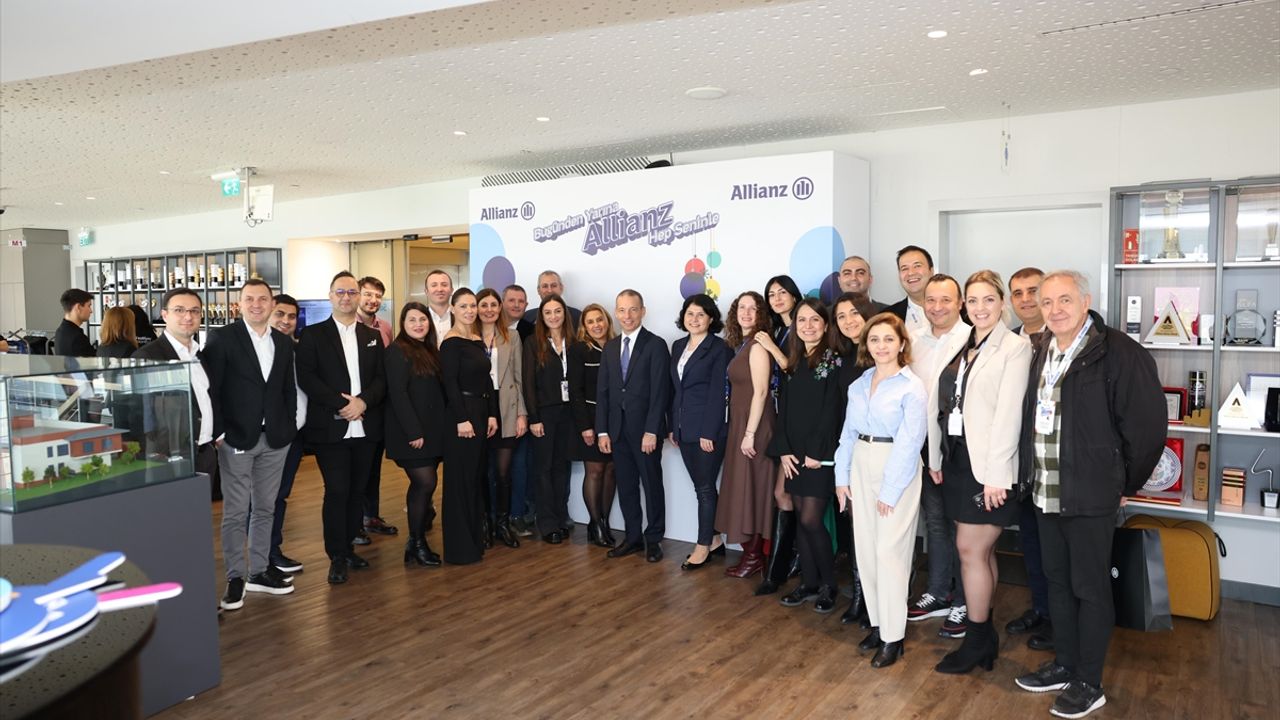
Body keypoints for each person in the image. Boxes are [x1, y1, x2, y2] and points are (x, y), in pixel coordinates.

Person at [1013, 270, 1164, 719]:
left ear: (1086, 301)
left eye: (1064, 300)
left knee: (1090, 588)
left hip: (1092, 494)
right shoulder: (1043, 349)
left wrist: (1125, 484)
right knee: (1057, 583)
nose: (1055, 309)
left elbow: (1147, 426)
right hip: (1046, 491)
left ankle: (1089, 682)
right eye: (1047, 302)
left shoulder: (1118, 352)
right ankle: (1065, 664)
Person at [927, 271, 1031, 673]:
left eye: (988, 299)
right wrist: (936, 458)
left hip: (989, 467)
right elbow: (941, 405)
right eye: (973, 300)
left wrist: (997, 476)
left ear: (1002, 303)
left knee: (970, 550)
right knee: (980, 552)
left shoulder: (1015, 347)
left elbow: (1009, 415)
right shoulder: (961, 342)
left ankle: (975, 640)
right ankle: (984, 637)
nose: (980, 308)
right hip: (957, 461)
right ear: (963, 305)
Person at [834, 312, 928, 669]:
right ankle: (878, 624)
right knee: (867, 551)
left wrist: (890, 490)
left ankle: (894, 637)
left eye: (889, 339)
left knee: (890, 554)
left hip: (895, 467)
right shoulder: (859, 384)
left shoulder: (911, 387)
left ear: (902, 343)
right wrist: (841, 478)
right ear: (866, 345)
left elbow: (910, 443)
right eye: (874, 339)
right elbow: (847, 434)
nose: (881, 345)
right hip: (861, 461)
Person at [202, 279, 298, 609]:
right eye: (249, 299)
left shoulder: (282, 342)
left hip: (275, 439)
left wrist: (288, 425)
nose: (256, 304)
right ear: (239, 304)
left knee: (266, 507)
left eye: (262, 299)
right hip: (237, 439)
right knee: (235, 511)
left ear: (272, 304)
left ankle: (258, 571)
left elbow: (287, 388)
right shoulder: (223, 338)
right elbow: (212, 388)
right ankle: (235, 576)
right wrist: (220, 432)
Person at [295, 271, 387, 585]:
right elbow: (307, 377)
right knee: (337, 492)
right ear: (330, 296)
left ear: (358, 296)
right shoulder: (313, 335)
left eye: (351, 292)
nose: (346, 297)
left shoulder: (371, 335)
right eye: (340, 292)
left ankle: (349, 549)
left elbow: (382, 378)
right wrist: (342, 404)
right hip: (330, 428)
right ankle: (336, 555)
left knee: (357, 492)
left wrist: (363, 403)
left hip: (365, 426)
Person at [907, 273, 973, 638]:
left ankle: (965, 600)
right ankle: (938, 591)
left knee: (963, 529)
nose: (937, 307)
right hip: (923, 449)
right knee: (935, 524)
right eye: (930, 300)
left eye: (946, 300)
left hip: (959, 451)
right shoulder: (913, 339)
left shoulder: (973, 338)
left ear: (960, 302)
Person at [770, 299, 844, 614]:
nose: (808, 326)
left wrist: (816, 452)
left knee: (812, 520)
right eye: (802, 320)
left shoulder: (833, 360)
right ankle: (809, 583)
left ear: (826, 325)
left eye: (815, 320)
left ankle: (829, 585)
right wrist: (784, 449)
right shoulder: (796, 360)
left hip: (818, 456)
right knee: (802, 520)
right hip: (794, 454)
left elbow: (832, 411)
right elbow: (784, 410)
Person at [596, 289, 670, 562]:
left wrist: (652, 430)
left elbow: (661, 392)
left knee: (651, 485)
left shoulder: (656, 345)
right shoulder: (610, 347)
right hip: (617, 430)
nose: (627, 315)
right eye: (622, 310)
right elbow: (603, 391)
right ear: (616, 313)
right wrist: (603, 430)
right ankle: (633, 538)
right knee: (626, 486)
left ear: (643, 311)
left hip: (645, 432)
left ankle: (654, 539)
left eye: (633, 309)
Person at [1004, 266, 1053, 650]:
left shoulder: (1063, 338)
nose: (1025, 299)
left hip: (1055, 463)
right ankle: (1041, 608)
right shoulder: (1008, 342)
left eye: (1032, 291)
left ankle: (1059, 620)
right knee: (1031, 543)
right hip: (1021, 463)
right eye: (1017, 293)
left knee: (1057, 548)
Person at [133, 288, 218, 500]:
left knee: (199, 515)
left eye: (194, 311)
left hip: (204, 453)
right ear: (164, 315)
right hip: (167, 456)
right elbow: (138, 412)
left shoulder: (199, 355)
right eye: (179, 310)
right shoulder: (148, 356)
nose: (188, 317)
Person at [669, 293, 732, 570]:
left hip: (708, 431)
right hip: (683, 429)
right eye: (690, 313)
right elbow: (676, 390)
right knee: (701, 487)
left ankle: (702, 546)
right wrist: (673, 427)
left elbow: (719, 394)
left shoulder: (720, 348)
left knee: (705, 488)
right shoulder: (678, 346)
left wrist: (709, 432)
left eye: (701, 314)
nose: (694, 319)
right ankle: (715, 539)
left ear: (711, 319)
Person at [717, 291, 777, 581]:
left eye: (753, 308)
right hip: (742, 424)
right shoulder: (742, 345)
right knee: (745, 487)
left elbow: (762, 392)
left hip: (755, 426)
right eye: (742, 307)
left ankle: (755, 557)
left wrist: (750, 433)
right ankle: (752, 555)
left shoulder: (757, 346)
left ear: (761, 314)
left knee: (752, 488)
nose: (747, 313)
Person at [383, 302, 447, 567]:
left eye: (423, 319)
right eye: (412, 320)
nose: (419, 324)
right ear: (403, 323)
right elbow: (398, 395)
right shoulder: (397, 351)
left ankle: (415, 543)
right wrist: (413, 431)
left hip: (432, 431)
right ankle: (418, 543)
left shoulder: (430, 349)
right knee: (425, 483)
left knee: (424, 485)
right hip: (411, 433)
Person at [439, 288, 499, 564]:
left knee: (475, 478)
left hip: (480, 412)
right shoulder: (450, 343)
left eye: (472, 305)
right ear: (452, 309)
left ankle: (474, 541)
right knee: (459, 481)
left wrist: (491, 414)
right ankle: (460, 548)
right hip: (461, 415)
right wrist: (462, 419)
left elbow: (487, 380)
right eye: (463, 306)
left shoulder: (475, 340)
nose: (469, 310)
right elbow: (450, 384)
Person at [752, 274, 803, 594]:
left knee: (788, 494)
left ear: (794, 295)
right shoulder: (780, 330)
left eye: (783, 292)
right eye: (771, 294)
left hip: (802, 420)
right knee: (783, 495)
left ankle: (784, 567)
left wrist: (770, 346)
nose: (777, 298)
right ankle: (783, 564)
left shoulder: (803, 327)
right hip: (782, 417)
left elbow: (796, 369)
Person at [523, 293, 577, 544]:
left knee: (562, 467)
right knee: (543, 468)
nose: (553, 316)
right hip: (544, 414)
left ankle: (561, 516)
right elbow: (528, 383)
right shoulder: (533, 343)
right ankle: (547, 523)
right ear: (541, 317)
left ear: (564, 314)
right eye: (548, 312)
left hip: (568, 414)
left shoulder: (574, 341)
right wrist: (534, 418)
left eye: (557, 311)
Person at [829, 293, 869, 627]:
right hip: (851, 450)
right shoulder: (842, 356)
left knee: (877, 532)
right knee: (857, 527)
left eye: (854, 313)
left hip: (878, 452)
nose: (848, 321)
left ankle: (877, 600)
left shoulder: (882, 351)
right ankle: (860, 595)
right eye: (841, 316)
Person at [477, 288, 527, 549]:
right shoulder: (467, 336)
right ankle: (485, 522)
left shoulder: (512, 336)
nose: (489, 310)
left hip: (506, 407)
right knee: (482, 471)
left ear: (500, 308)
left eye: (493, 305)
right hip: (479, 408)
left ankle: (503, 523)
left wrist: (522, 414)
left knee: (503, 473)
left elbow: (519, 378)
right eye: (483, 305)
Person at [568, 303, 618, 548]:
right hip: (590, 418)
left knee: (611, 471)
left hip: (615, 419)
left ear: (607, 321)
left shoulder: (617, 346)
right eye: (590, 322)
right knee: (595, 471)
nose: (596, 325)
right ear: (584, 327)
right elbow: (575, 391)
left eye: (600, 319)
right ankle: (595, 523)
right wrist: (585, 427)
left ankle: (604, 522)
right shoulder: (579, 350)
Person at [266, 294, 307, 574]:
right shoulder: (261, 350)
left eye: (291, 316)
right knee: (264, 500)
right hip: (268, 435)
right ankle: (265, 555)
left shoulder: (299, 350)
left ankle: (272, 551)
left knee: (280, 495)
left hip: (296, 435)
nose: (285, 321)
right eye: (280, 314)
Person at [356, 275, 398, 541]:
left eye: (377, 296)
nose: (373, 300)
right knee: (356, 470)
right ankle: (354, 522)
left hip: (379, 407)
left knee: (373, 467)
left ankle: (371, 516)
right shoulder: (348, 326)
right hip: (356, 408)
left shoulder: (385, 327)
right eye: (368, 294)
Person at [503, 284, 536, 534]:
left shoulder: (531, 331)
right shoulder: (485, 328)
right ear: (503, 302)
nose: (516, 305)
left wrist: (524, 412)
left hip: (521, 408)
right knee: (494, 468)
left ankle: (517, 514)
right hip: (494, 410)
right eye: (511, 300)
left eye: (521, 301)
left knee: (520, 465)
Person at [885, 245, 934, 335]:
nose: (911, 273)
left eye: (917, 266)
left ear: (931, 271)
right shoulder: (886, 317)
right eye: (904, 268)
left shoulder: (957, 309)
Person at [55, 288, 95, 357]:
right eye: (89, 306)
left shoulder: (60, 331)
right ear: (78, 307)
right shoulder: (77, 338)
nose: (91, 311)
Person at [424, 269, 454, 342]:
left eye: (444, 285)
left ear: (451, 290)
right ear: (426, 291)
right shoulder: (420, 318)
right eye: (434, 285)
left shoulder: (460, 316)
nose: (440, 289)